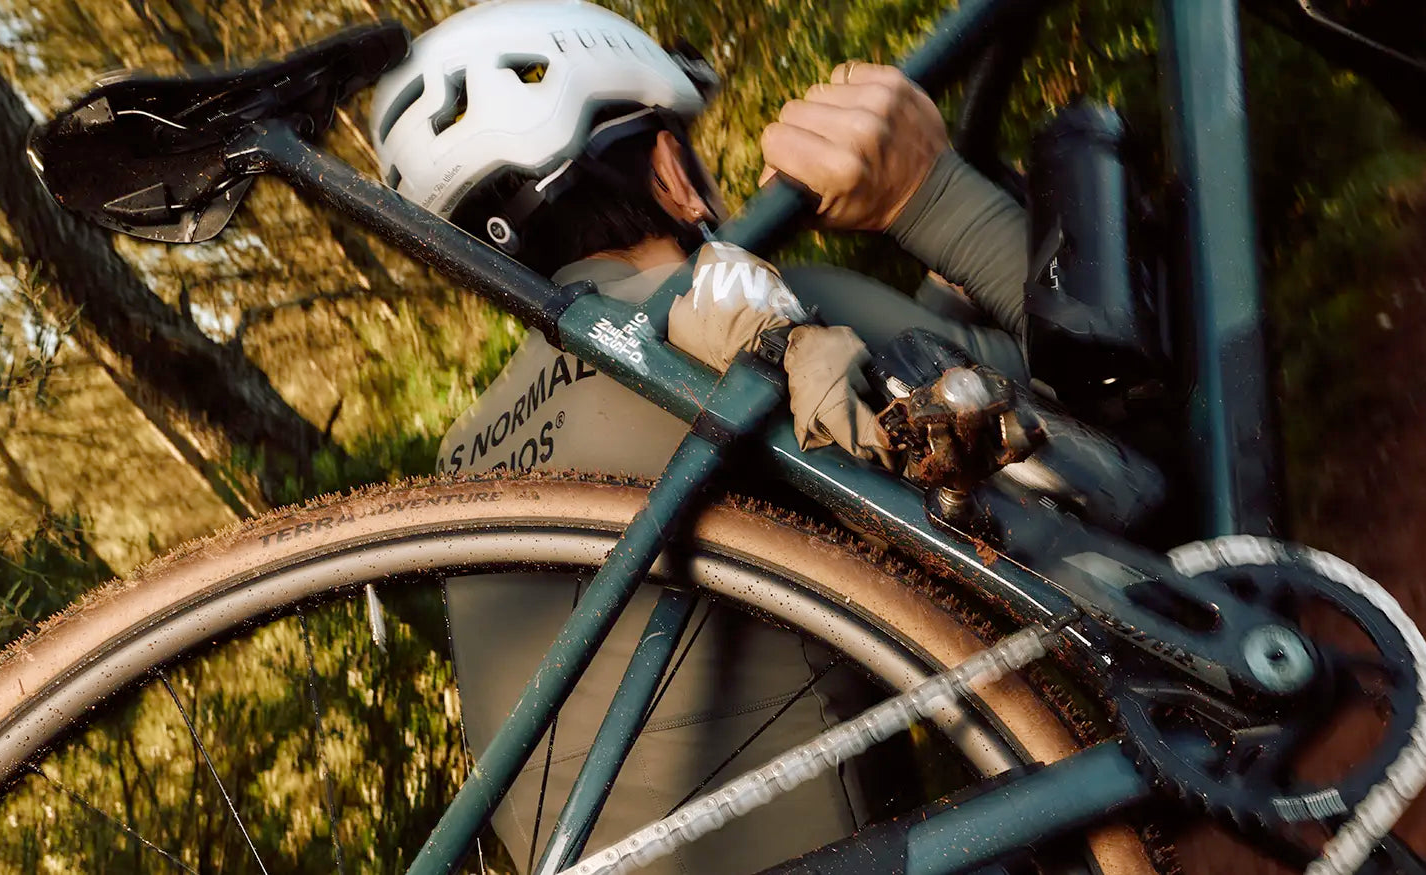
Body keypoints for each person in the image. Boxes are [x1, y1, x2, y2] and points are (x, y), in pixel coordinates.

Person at [367, 2, 1029, 871]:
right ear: (671, 171)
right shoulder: (737, 306)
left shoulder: (464, 452)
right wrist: (932, 195)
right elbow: (1109, 441)